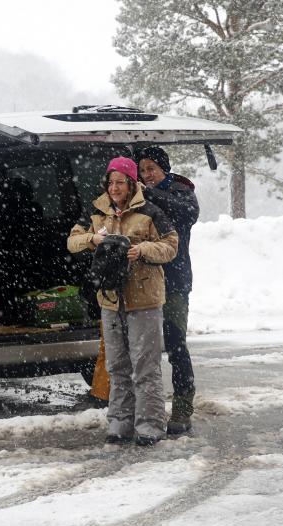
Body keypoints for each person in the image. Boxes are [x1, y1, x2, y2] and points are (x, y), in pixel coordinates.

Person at [68, 156, 178, 446]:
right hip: (110, 299)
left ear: (131, 183)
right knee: (117, 366)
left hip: (144, 299)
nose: (114, 188)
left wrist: (142, 250)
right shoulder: (96, 211)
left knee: (145, 366)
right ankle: (119, 423)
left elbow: (170, 245)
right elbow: (72, 240)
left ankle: (150, 425)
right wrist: (93, 240)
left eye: (120, 182)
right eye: (111, 182)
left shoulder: (150, 211)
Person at [136, 146, 200, 435]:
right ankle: (146, 410)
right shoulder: (136, 193)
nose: (146, 175)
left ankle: (183, 408)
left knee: (176, 346)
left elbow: (188, 213)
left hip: (174, 283)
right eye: (142, 169)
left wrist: (148, 193)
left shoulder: (180, 190)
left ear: (164, 168)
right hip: (144, 282)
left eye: (151, 168)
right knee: (143, 351)